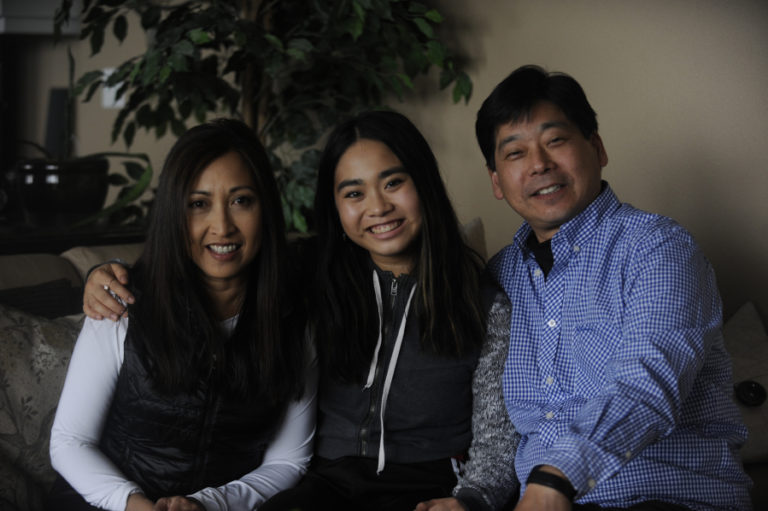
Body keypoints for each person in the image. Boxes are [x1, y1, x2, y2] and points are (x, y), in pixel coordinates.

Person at [81, 111, 518, 511]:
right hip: (327, 484)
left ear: (424, 183)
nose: (378, 207)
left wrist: (472, 501)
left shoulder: (480, 305)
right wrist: (108, 274)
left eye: (393, 183)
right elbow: (215, 267)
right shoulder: (308, 278)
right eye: (353, 192)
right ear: (335, 207)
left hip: (432, 486)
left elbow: (496, 441)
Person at [472, 65, 752, 510]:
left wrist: (557, 477)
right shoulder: (500, 275)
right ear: (496, 183)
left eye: (556, 141)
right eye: (515, 153)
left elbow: (648, 384)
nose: (539, 164)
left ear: (597, 148)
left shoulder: (657, 248)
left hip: (664, 495)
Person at [47, 119, 316, 511]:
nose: (221, 226)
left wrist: (208, 503)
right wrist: (135, 504)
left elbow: (289, 459)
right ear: (174, 213)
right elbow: (70, 443)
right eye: (198, 204)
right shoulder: (121, 303)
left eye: (241, 200)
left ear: (266, 209)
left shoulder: (294, 320)